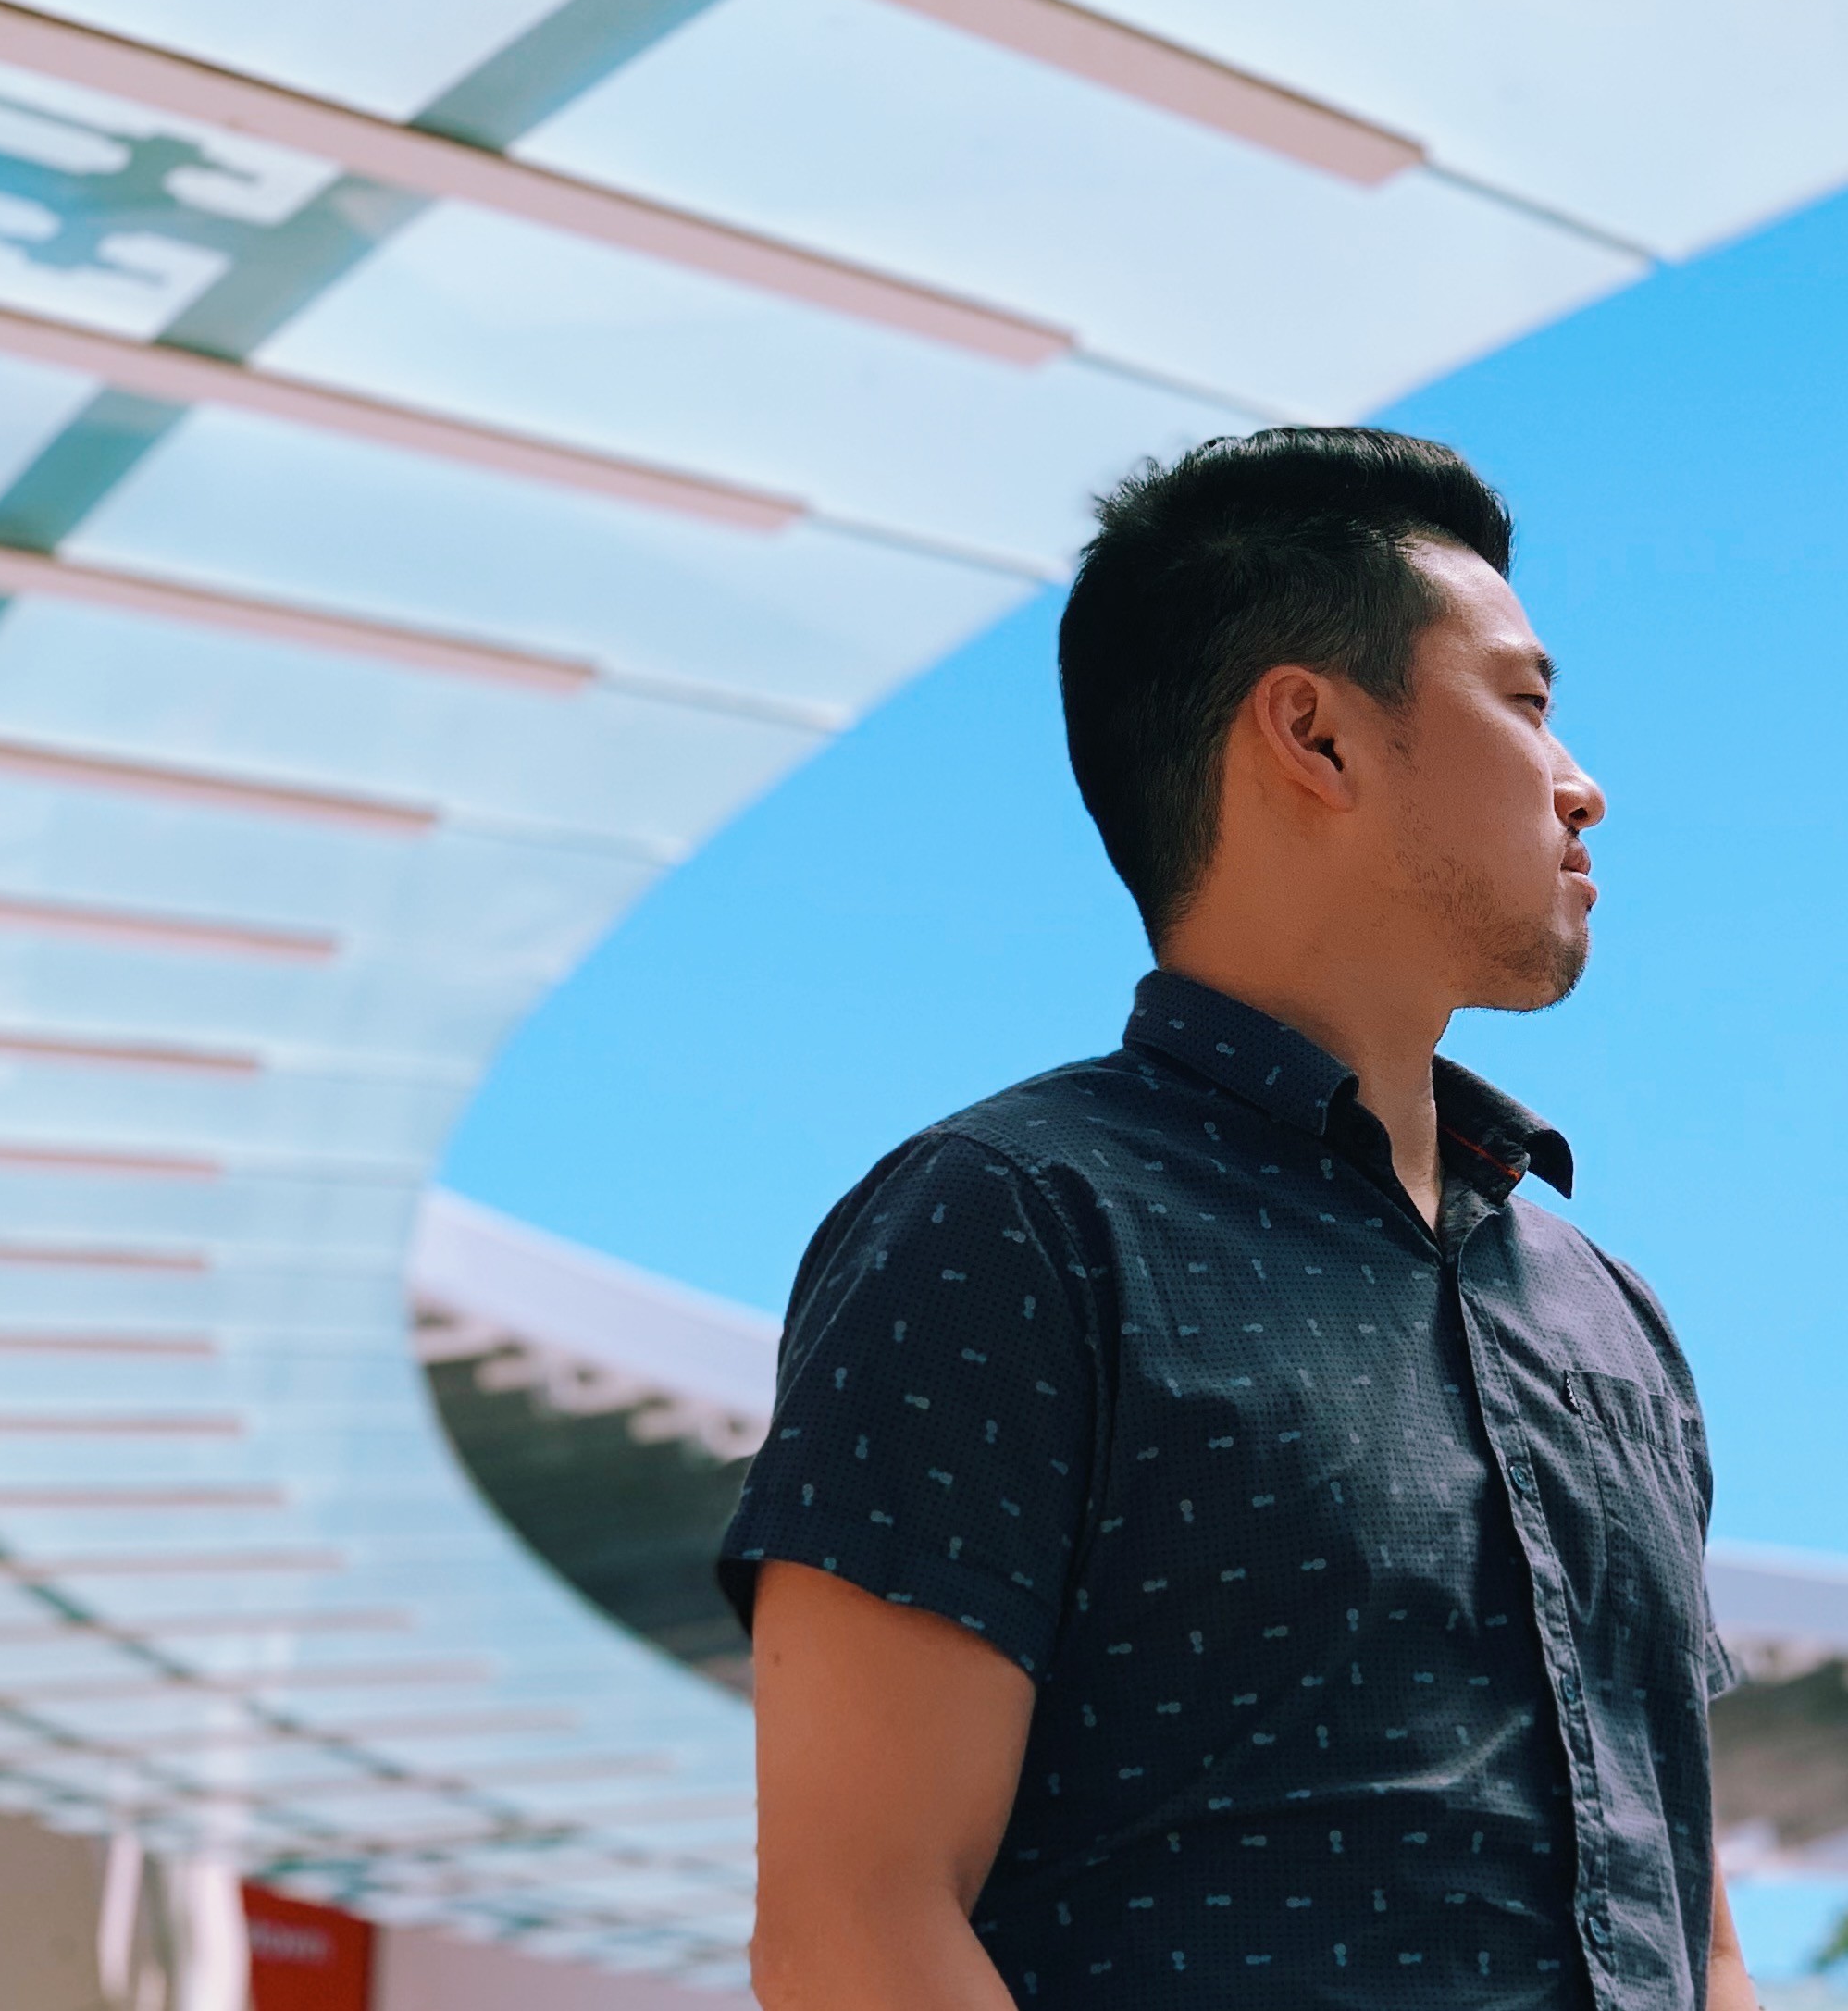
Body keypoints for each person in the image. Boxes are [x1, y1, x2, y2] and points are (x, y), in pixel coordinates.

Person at [722, 428, 1754, 2010]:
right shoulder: (1007, 1233)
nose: (1582, 780)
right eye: (1527, 703)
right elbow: (854, 1931)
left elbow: (1693, 1925)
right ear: (1315, 735)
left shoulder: (1609, 1315)